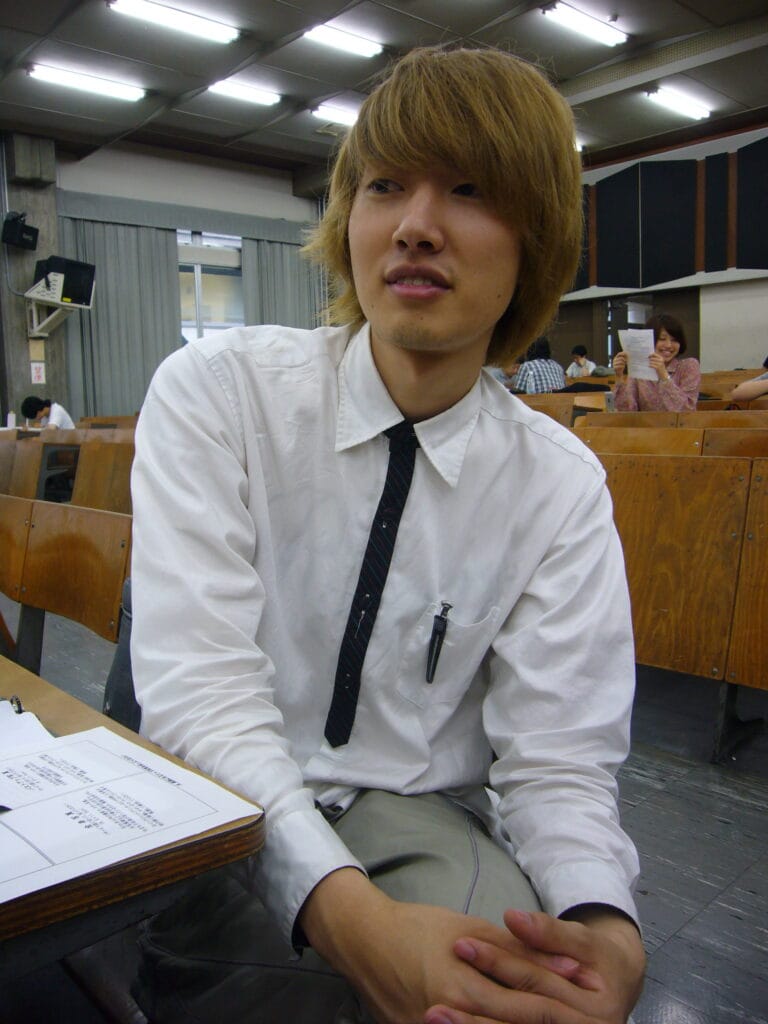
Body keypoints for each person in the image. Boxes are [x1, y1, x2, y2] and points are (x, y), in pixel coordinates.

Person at [130, 45, 645, 1024]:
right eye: (384, 186)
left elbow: (559, 762)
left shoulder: (560, 486)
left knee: (511, 980)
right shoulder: (221, 394)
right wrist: (357, 926)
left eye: (469, 190)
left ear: (536, 240)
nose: (415, 225)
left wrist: (605, 926)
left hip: (422, 820)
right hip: (228, 810)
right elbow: (202, 702)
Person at [612, 314, 700, 411]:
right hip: (646, 421)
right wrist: (619, 377)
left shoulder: (689, 366)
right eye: (662, 339)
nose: (668, 345)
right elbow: (626, 411)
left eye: (674, 340)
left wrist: (664, 376)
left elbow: (687, 409)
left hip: (679, 421)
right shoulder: (640, 368)